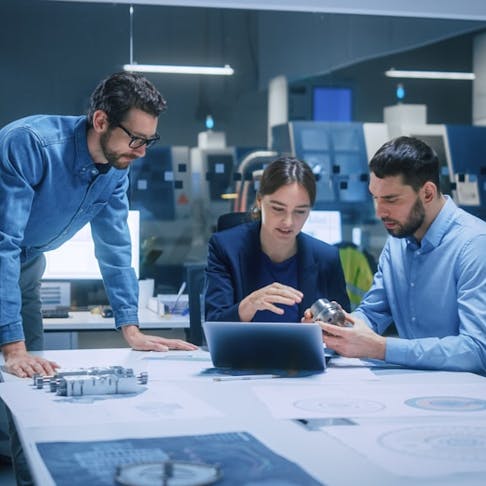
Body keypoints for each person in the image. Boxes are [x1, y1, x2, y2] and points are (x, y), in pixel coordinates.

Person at [0, 71, 197, 380]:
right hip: (4, 259)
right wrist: (12, 348)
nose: (142, 151)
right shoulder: (31, 145)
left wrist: (131, 329)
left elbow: (115, 247)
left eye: (149, 141)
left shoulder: (117, 169)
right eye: (136, 139)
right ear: (101, 121)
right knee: (14, 363)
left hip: (26, 270)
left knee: (30, 376)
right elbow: (4, 243)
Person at [309, 136, 486, 373]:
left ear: (428, 193)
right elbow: (373, 312)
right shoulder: (397, 243)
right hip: (412, 388)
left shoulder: (474, 245)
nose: (380, 211)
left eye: (391, 199)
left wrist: (381, 348)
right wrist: (338, 328)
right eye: (375, 198)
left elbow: (476, 350)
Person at [205, 156, 350, 323]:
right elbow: (214, 324)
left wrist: (322, 331)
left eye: (300, 211)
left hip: (302, 349)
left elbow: (345, 332)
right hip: (244, 349)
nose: (288, 222)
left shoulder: (327, 257)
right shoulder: (225, 248)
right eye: (278, 209)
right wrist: (250, 304)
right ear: (259, 201)